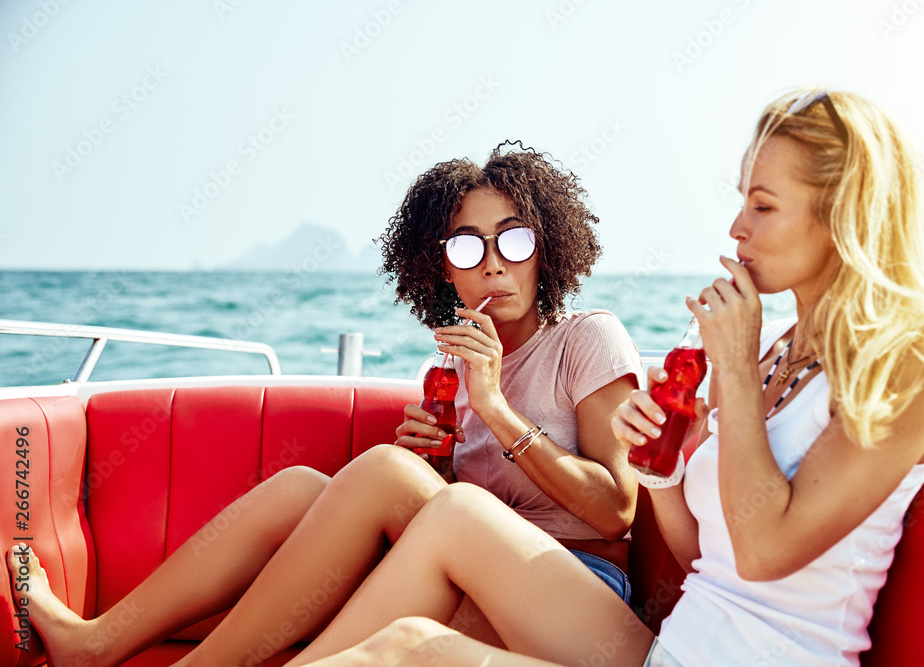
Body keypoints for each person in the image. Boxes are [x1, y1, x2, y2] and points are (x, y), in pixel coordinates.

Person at [263, 89, 924, 667]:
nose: (736, 227)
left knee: (408, 648)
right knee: (411, 636)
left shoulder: (905, 363)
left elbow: (767, 553)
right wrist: (663, 468)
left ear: (844, 215)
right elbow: (712, 558)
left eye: (762, 205)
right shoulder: (773, 358)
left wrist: (730, 365)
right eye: (740, 200)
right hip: (672, 652)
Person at [7, 142, 642, 666]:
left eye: (514, 242)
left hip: (571, 591)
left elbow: (615, 510)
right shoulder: (452, 368)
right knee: (302, 486)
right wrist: (435, 463)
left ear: (546, 251)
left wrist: (497, 409)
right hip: (463, 574)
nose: (494, 266)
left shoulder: (586, 339)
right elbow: (459, 510)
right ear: (444, 269)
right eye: (468, 248)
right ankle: (98, 644)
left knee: (386, 474)